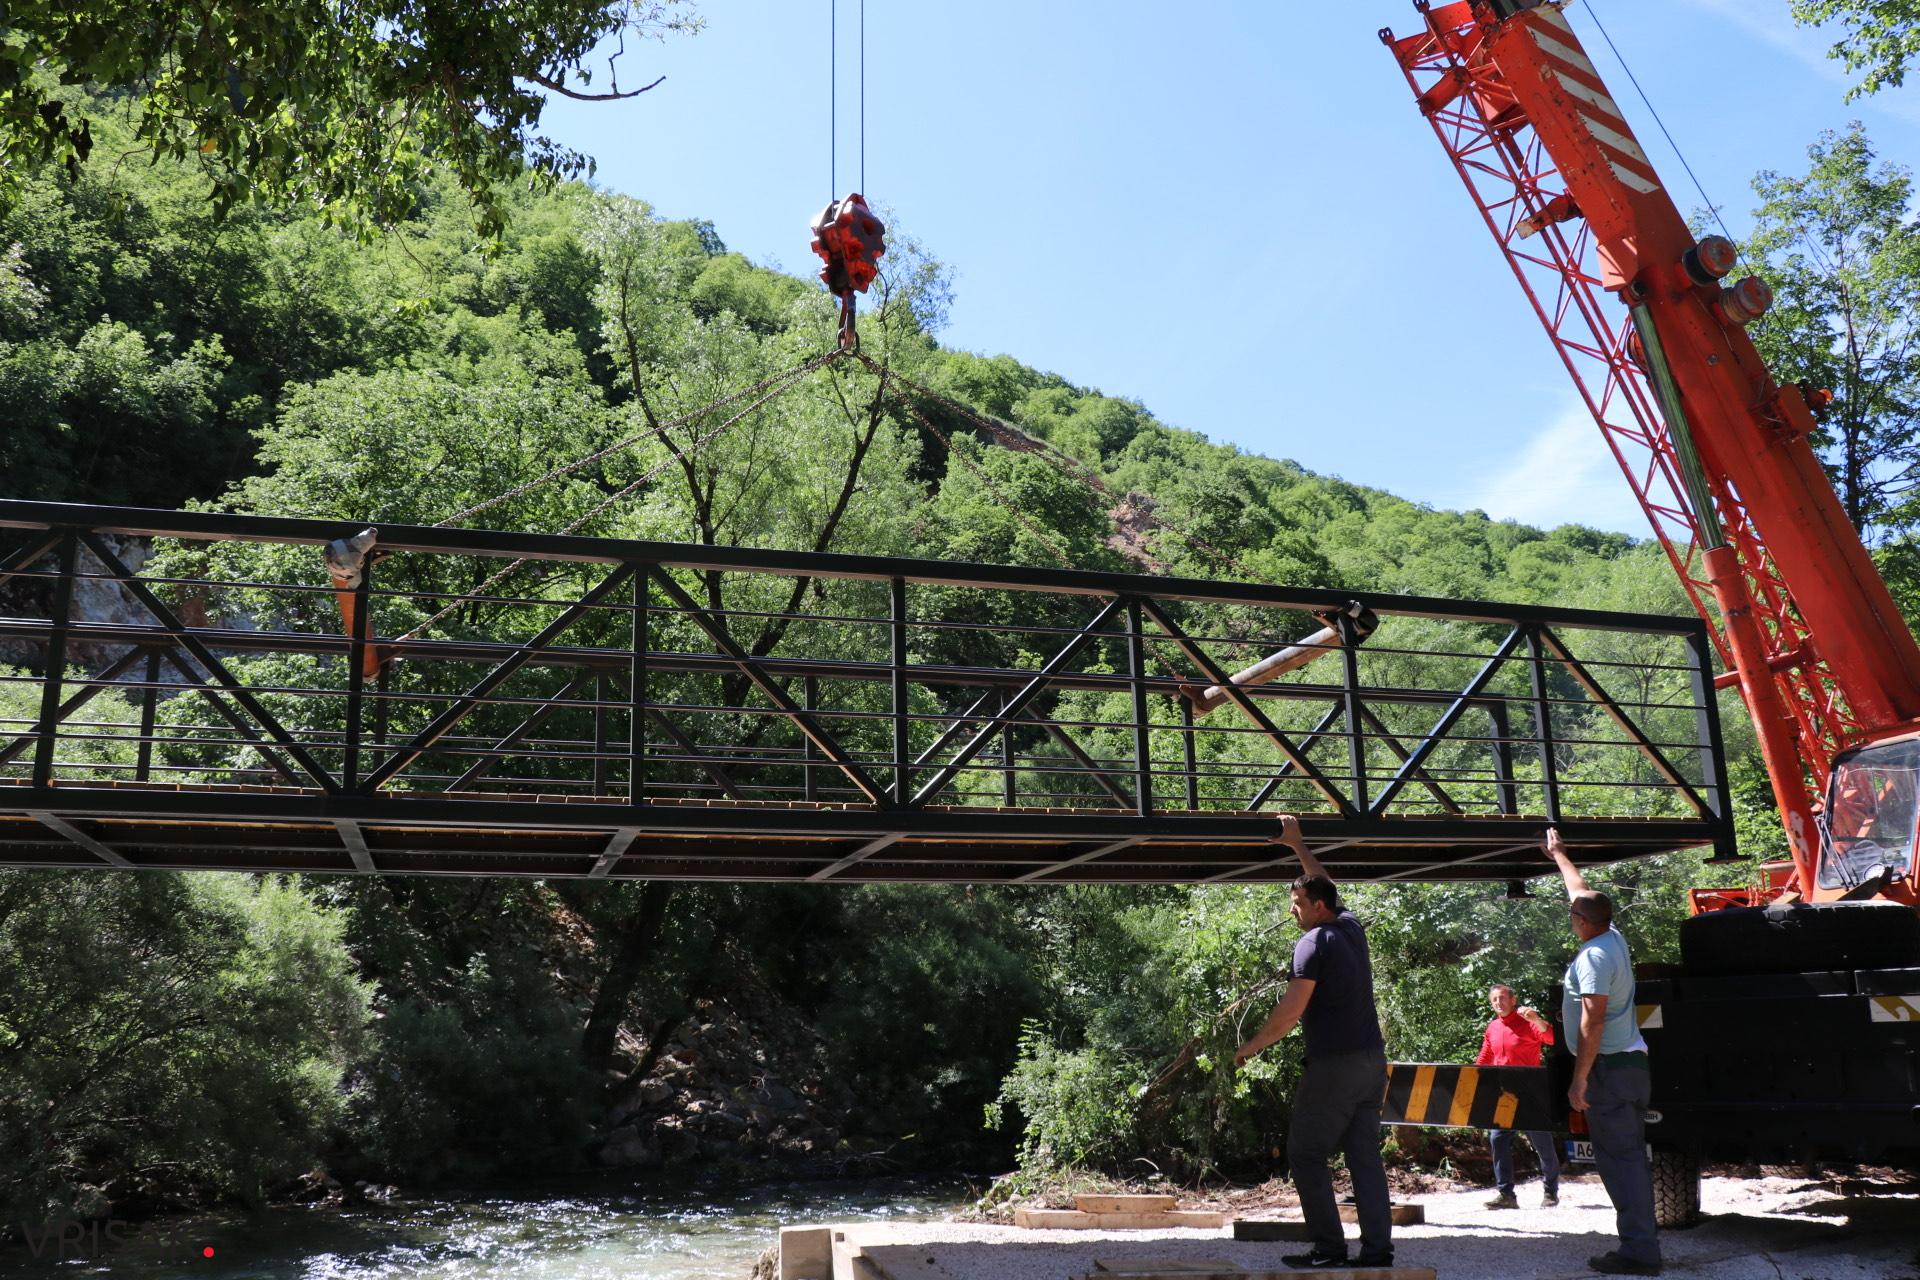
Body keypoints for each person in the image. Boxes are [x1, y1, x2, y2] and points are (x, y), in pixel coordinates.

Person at [1233, 815, 1392, 1270]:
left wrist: (1249, 1048)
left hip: (1335, 1068)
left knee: (1305, 1154)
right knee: (1364, 1158)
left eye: (1298, 901)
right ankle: (1377, 1251)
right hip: (1370, 1064)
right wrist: (1297, 844)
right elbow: (1326, 882)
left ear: (1318, 906)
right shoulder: (1351, 928)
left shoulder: (1313, 943)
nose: (1293, 909)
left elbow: (1289, 1013)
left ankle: (1328, 1249)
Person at [1543, 828, 1661, 1276]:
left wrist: (1579, 1079)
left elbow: (1592, 1021)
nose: (1570, 917)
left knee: (1621, 1162)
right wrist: (1559, 855)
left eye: (1572, 915)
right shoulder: (1613, 937)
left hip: (1608, 1072)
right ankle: (1641, 1244)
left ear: (1580, 922)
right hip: (1629, 1064)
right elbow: (1582, 893)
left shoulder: (1593, 957)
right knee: (1628, 1156)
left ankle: (1639, 1253)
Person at [1477, 983, 1561, 1209]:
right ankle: (1506, 1194)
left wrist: (1536, 1019)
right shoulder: (1492, 1027)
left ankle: (1550, 1191)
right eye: (1494, 999)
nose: (1498, 1003)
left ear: (1513, 1000)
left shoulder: (1528, 1022)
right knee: (1498, 1139)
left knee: (1542, 1143)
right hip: (1505, 1095)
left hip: (1532, 1093)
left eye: (1503, 998)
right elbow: (1484, 1058)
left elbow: (1552, 1038)